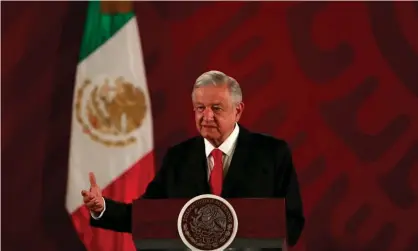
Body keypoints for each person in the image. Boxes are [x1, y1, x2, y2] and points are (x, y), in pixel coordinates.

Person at [82, 70, 305, 248]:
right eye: (200, 108)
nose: (206, 116)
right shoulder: (178, 158)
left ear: (238, 111)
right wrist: (103, 208)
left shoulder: (272, 153)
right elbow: (148, 216)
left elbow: (292, 219)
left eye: (216, 108)